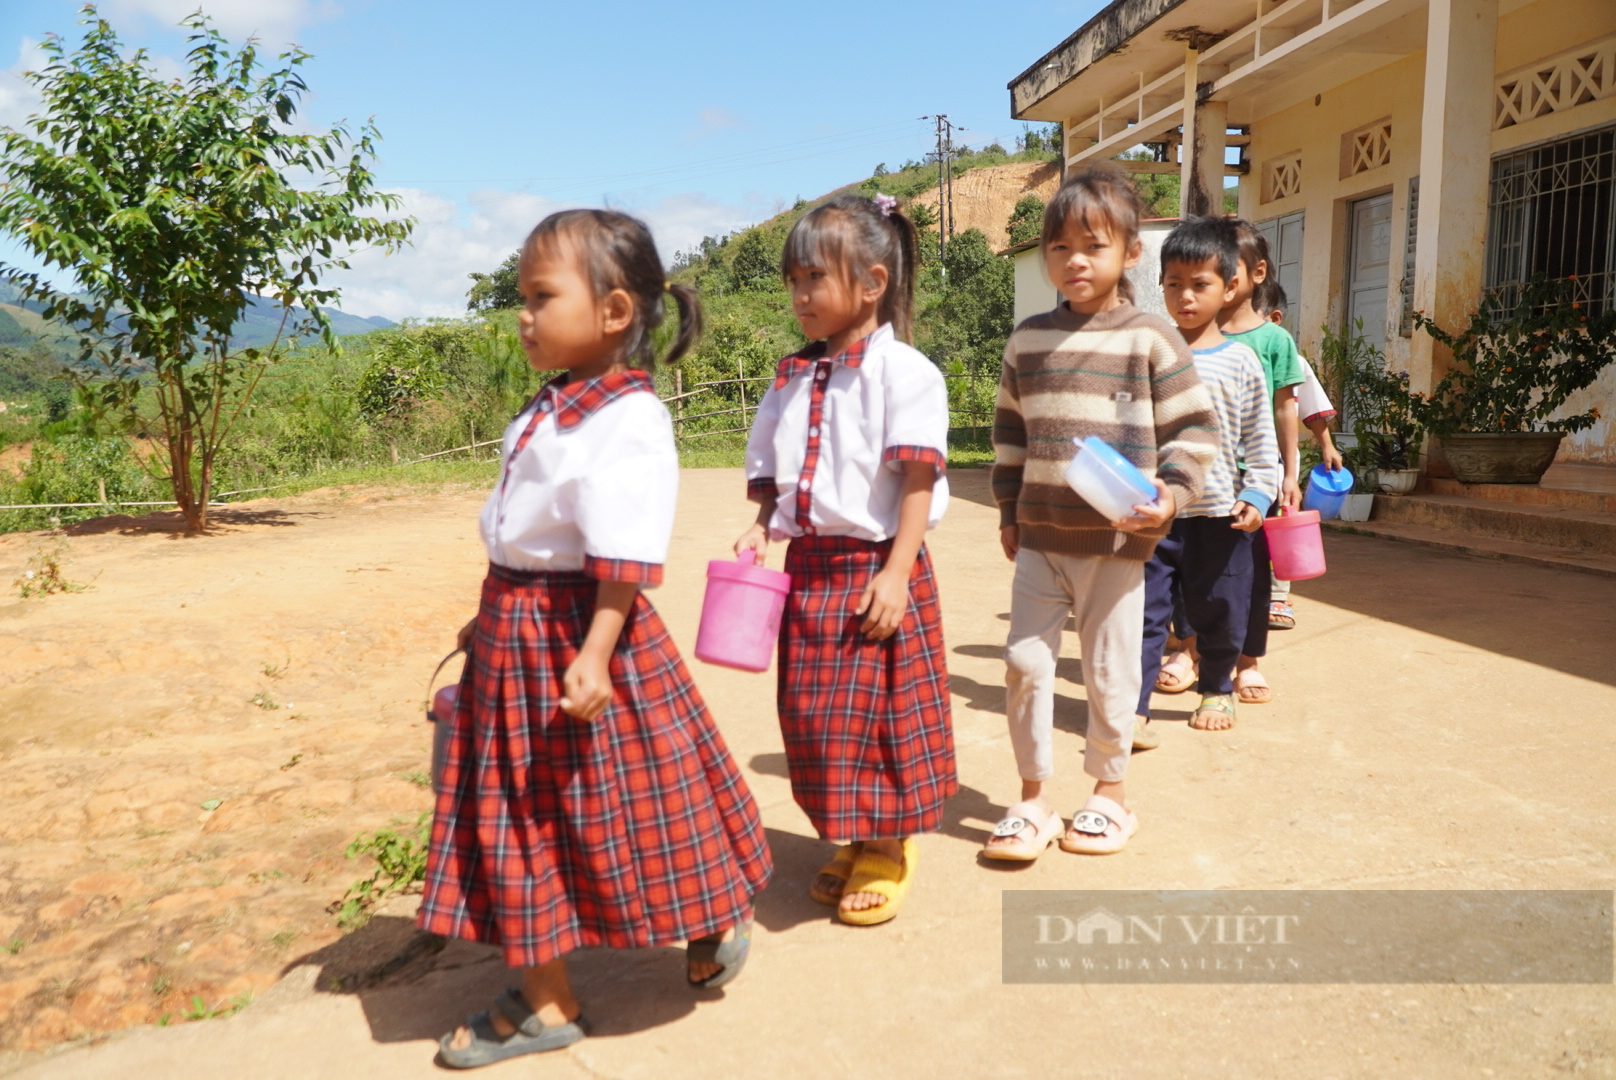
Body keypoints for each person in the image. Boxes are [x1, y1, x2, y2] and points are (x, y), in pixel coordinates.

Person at [421, 210, 772, 1069]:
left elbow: (622, 550)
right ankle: (570, 985)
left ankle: (681, 927)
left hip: (582, 632)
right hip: (519, 627)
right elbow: (524, 525)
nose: (523, 315)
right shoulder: (555, 405)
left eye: (542, 297)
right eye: (522, 298)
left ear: (614, 312)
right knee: (554, 806)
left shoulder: (626, 419)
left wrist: (591, 653)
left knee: (611, 798)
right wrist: (492, 618)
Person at [983, 165, 1217, 862]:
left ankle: (1110, 796)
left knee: (1110, 671)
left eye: (1093, 245)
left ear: (1130, 253)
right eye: (1060, 248)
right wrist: (1006, 507)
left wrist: (1171, 496)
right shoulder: (1026, 341)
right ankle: (1031, 801)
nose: (1075, 260)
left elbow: (1195, 431)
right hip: (1040, 539)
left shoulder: (1150, 338)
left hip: (1117, 543)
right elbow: (1009, 434)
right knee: (1026, 664)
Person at [737, 192, 954, 926]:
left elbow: (918, 480)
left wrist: (897, 571)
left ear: (871, 283)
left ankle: (889, 846)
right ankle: (854, 832)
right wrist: (762, 526)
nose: (800, 296)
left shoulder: (907, 374)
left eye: (813, 280)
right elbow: (775, 463)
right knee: (819, 716)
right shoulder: (790, 375)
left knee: (881, 717)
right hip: (809, 572)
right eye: (793, 280)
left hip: (877, 568)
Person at [1139, 217, 1280, 733]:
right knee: (1147, 612)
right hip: (1154, 512)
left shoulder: (1242, 361)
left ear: (1230, 287)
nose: (1185, 297)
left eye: (1200, 284)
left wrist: (1260, 493)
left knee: (1221, 605)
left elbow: (1258, 438)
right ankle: (1133, 707)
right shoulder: (1149, 353)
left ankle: (1217, 688)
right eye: (1173, 284)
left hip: (1221, 512)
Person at [1214, 223, 1306, 705]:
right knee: (1192, 566)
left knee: (1251, 572)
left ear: (1257, 272)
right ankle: (1188, 649)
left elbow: (1285, 407)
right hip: (1199, 477)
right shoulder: (1191, 336)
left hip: (1257, 479)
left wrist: (1290, 474)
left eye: (1226, 267)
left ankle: (1247, 661)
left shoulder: (1274, 341)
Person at [1259, 283, 1343, 629]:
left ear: (1274, 319)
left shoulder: (1293, 360)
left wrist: (1327, 445)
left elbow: (1312, 410)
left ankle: (1277, 597)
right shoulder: (1221, 351)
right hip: (1233, 462)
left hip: (1278, 464)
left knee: (1280, 526)